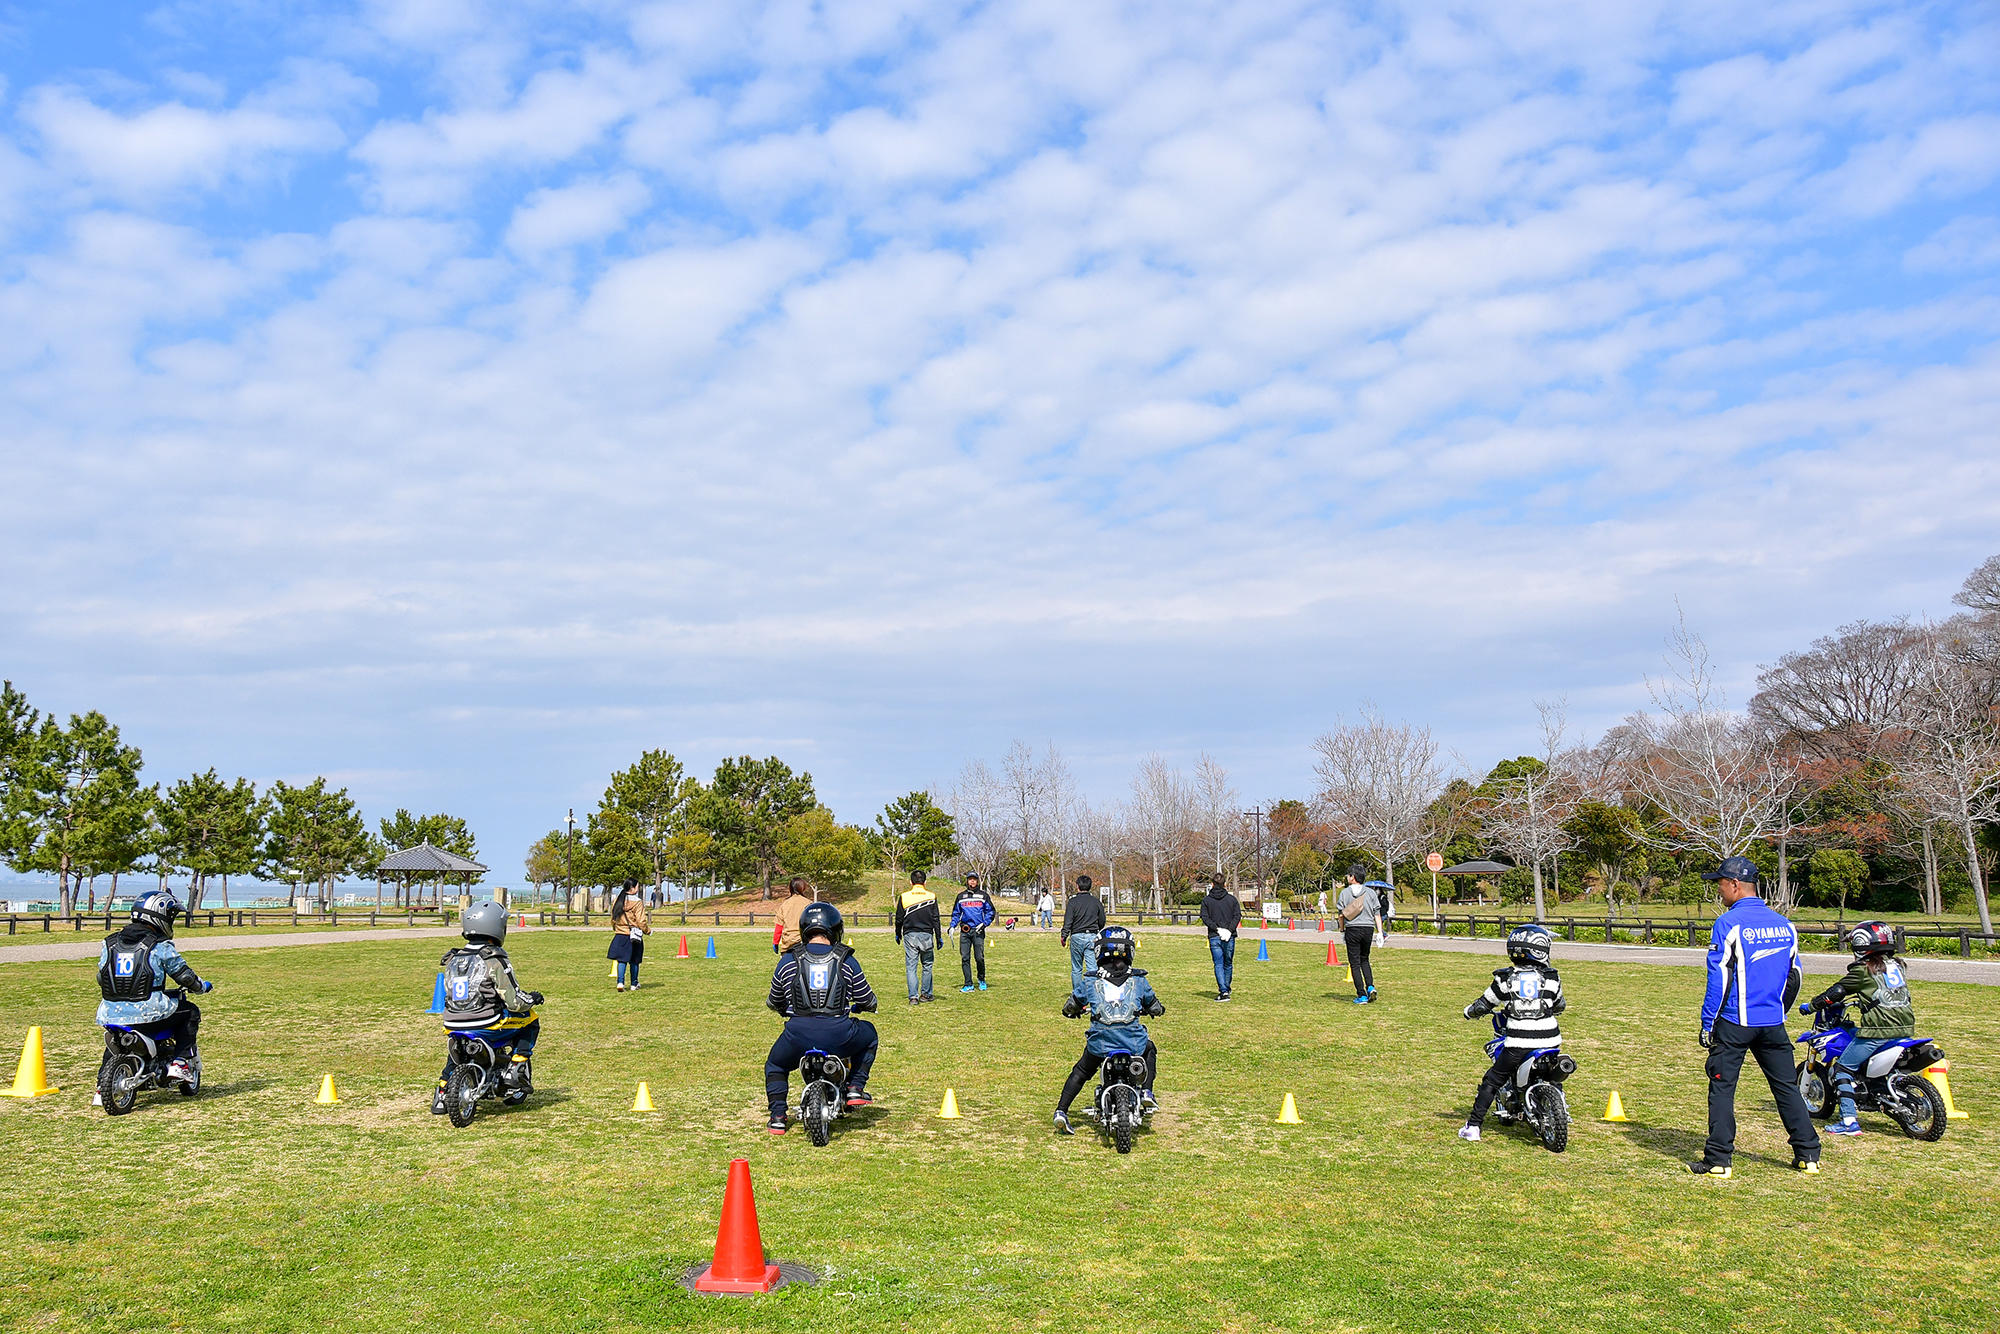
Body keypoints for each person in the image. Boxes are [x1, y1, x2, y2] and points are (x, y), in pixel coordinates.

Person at [1691, 856, 1821, 1176]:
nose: (1718, 890)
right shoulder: (1784, 924)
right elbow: (1796, 977)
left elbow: (1719, 979)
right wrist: (1779, 1011)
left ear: (1735, 885)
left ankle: (1719, 1159)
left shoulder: (1728, 923)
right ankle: (1809, 1155)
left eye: (1720, 884)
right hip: (1773, 1023)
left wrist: (1709, 1023)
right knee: (1786, 1088)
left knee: (1722, 1087)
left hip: (1735, 1022)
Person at [764, 903, 879, 1134]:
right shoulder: (847, 960)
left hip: (797, 1034)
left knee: (775, 1065)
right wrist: (863, 1007)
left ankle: (777, 1116)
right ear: (836, 929)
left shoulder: (787, 961)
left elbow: (774, 999)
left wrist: (782, 1008)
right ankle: (855, 1087)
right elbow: (867, 999)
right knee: (870, 1035)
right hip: (839, 1033)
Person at [432, 900, 544, 1114]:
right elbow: (513, 1000)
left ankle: (442, 1091)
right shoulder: (494, 958)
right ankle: (516, 1067)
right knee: (530, 1020)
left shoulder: (453, 958)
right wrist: (531, 998)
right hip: (487, 1022)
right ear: (496, 927)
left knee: (458, 1046)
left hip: (452, 1021)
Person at [95, 890, 213, 1093]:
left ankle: (100, 1086)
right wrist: (201, 986)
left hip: (110, 1011)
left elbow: (101, 976)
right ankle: (181, 1063)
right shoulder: (159, 945)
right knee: (189, 1012)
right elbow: (184, 976)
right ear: (159, 916)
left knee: (115, 1042)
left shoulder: (109, 943)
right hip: (148, 1011)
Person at [1808, 919, 1917, 1137]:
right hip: (1905, 1028)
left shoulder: (1862, 970)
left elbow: (1837, 992)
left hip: (1878, 1030)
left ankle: (1848, 1121)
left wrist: (1811, 1005)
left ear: (1861, 944)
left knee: (1843, 1069)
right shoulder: (1897, 965)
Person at [1456, 924, 1563, 1142]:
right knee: (1553, 1075)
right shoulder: (1552, 977)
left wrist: (1468, 1012)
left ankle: (1473, 1126)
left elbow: (1484, 1004)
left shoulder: (1505, 978)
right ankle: (1556, 1099)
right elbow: (1559, 1004)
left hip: (1518, 1041)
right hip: (1551, 1040)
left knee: (1493, 1080)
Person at [1054, 926, 1164, 1134]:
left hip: (1101, 1043)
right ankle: (1147, 1092)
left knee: (1082, 1071)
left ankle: (1062, 1111)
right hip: (1133, 1043)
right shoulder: (1139, 979)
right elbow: (1154, 1005)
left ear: (1098, 952)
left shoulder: (1090, 980)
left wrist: (1071, 1011)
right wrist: (1156, 1010)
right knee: (1150, 1049)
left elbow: (1072, 1004)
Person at [894, 870, 941, 1004]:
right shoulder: (931, 896)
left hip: (910, 935)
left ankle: (913, 997)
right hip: (926, 934)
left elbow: (899, 919)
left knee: (911, 967)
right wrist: (938, 937)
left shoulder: (904, 896)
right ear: (925, 882)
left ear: (911, 882)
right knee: (927, 965)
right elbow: (936, 919)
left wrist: (898, 934)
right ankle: (925, 995)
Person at [1335, 866, 1378, 1003]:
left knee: (1354, 963)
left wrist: (1342, 931)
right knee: (1365, 959)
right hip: (1368, 928)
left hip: (1352, 929)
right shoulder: (1370, 893)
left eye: (1348, 875)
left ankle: (1362, 995)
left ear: (1352, 877)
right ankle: (1370, 986)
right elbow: (1376, 912)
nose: (1347, 877)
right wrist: (1380, 932)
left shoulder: (1345, 893)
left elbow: (1341, 915)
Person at [1061, 873, 1106, 995]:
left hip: (1076, 936)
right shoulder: (1096, 902)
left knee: (1076, 968)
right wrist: (1096, 929)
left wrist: (1064, 935)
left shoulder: (1073, 902)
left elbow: (1068, 920)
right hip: (1092, 936)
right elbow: (1102, 920)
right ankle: (1092, 993)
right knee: (1092, 968)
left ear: (1078, 886)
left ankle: (1077, 994)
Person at [951, 873, 997, 992]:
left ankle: (981, 979)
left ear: (977, 881)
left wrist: (984, 923)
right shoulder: (961, 896)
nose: (972, 882)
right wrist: (952, 926)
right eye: (970, 879)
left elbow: (991, 912)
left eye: (974, 880)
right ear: (967, 881)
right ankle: (968, 984)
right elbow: (956, 913)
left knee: (979, 957)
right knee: (965, 957)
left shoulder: (983, 896)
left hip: (978, 931)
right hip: (965, 931)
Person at [1199, 873, 1242, 1001]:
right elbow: (1237, 916)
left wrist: (1216, 928)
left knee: (1218, 963)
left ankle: (1223, 991)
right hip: (1229, 936)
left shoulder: (1207, 900)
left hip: (1214, 935)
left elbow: (1205, 917)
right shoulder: (1232, 900)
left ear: (1212, 884)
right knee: (1228, 963)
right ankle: (1226, 989)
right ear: (1225, 884)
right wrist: (1229, 930)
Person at [607, 879, 651, 991]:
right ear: (632, 888)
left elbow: (613, 917)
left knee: (621, 960)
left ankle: (620, 983)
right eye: (637, 887)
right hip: (633, 935)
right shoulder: (637, 902)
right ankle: (634, 983)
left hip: (620, 934)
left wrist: (616, 929)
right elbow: (641, 921)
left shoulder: (618, 900)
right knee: (635, 960)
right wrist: (647, 931)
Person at [773, 876, 813, 953]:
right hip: (804, 943)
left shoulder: (785, 904)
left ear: (790, 888)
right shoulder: (808, 903)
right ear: (803, 888)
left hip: (788, 944)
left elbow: (779, 926)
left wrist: (775, 942)